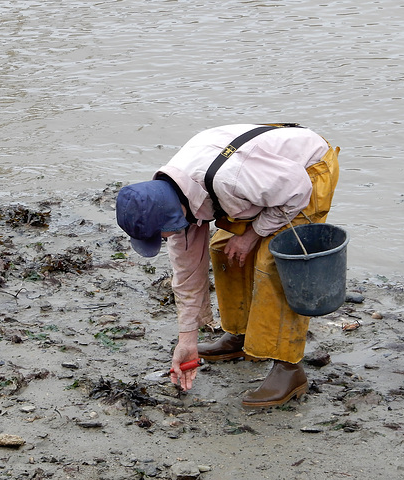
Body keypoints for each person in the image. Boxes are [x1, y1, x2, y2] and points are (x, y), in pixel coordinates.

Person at [116, 123, 340, 408]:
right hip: (260, 180)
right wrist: (187, 341)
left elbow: (297, 188)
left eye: (162, 234)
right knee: (223, 249)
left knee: (272, 265)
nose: (165, 239)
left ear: (175, 215)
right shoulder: (173, 197)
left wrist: (253, 234)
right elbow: (187, 274)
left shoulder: (230, 181)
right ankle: (241, 335)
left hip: (304, 172)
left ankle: (288, 367)